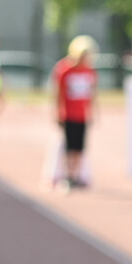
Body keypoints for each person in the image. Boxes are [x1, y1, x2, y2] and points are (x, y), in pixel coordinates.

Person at [51, 35, 98, 192]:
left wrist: (93, 112)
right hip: (69, 115)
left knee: (80, 148)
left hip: (82, 116)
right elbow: (58, 93)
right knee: (69, 148)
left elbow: (92, 94)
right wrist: (58, 112)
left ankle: (77, 176)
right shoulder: (65, 69)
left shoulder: (89, 71)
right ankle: (68, 175)